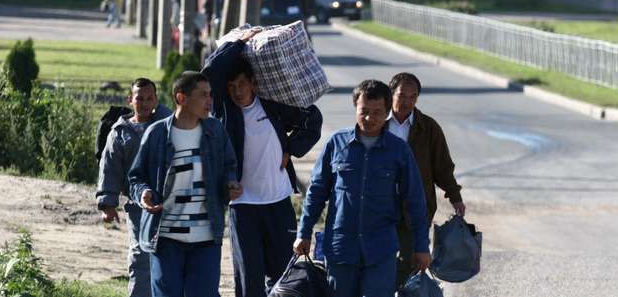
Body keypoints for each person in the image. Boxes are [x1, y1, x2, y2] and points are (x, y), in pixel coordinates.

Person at [202, 30, 323, 297]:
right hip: (243, 206)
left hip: (278, 202)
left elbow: (313, 119)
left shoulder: (274, 106)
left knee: (283, 277)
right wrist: (239, 42)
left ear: (253, 83)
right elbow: (211, 71)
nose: (237, 92)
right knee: (249, 279)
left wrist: (291, 148)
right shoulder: (224, 110)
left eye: (241, 85)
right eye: (231, 87)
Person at [294, 80, 430, 297]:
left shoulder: (399, 150)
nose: (369, 118)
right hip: (340, 250)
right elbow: (316, 192)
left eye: (377, 112)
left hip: (381, 251)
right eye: (364, 111)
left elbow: (415, 201)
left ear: (387, 112)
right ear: (355, 108)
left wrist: (422, 246)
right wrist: (304, 233)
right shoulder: (336, 144)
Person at [128, 71, 242, 297]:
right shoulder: (157, 134)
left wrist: (230, 184)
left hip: (206, 239)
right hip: (165, 239)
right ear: (181, 98)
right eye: (203, 95)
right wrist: (144, 193)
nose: (209, 100)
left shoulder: (215, 131)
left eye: (210, 94)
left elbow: (230, 166)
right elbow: (135, 177)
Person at [387, 72, 465, 289]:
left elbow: (443, 166)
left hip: (415, 207)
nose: (407, 102)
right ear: (391, 94)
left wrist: (455, 196)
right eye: (402, 96)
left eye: (413, 97)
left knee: (410, 263)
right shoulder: (377, 123)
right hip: (380, 204)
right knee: (380, 261)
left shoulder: (428, 128)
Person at [96, 78, 172, 297]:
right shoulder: (120, 132)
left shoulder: (166, 126)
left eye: (150, 98)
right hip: (138, 206)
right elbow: (109, 168)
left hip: (169, 203)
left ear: (156, 100)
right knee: (141, 256)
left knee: (171, 256)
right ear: (130, 100)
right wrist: (108, 204)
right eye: (140, 98)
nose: (145, 103)